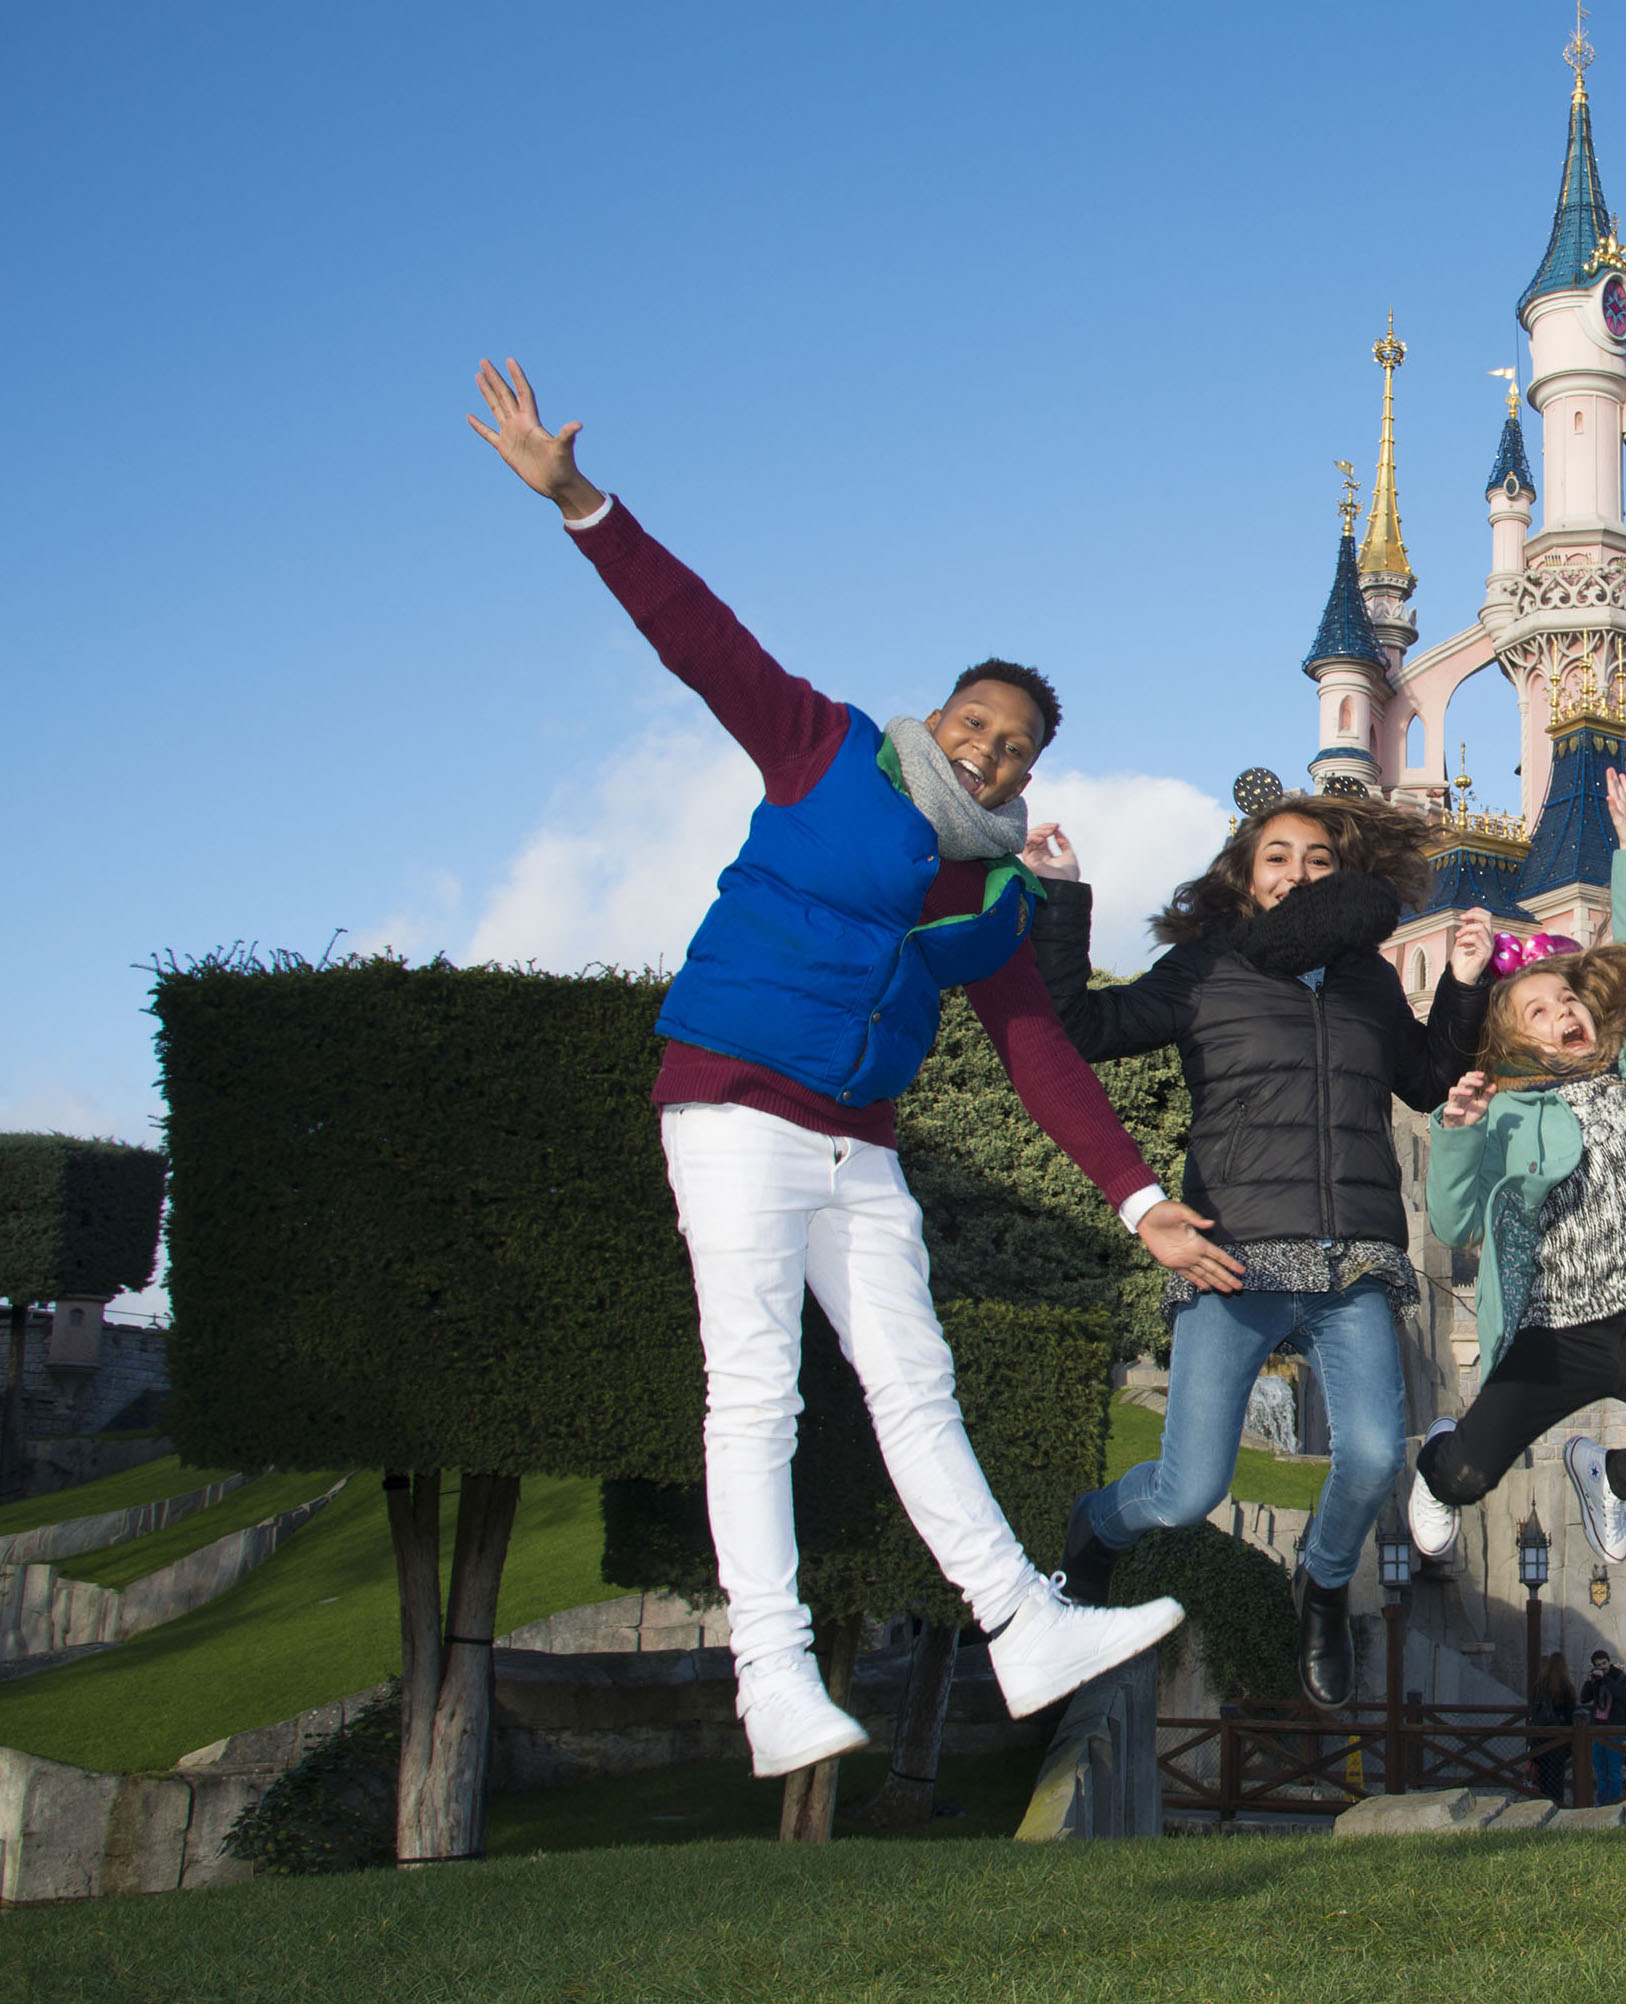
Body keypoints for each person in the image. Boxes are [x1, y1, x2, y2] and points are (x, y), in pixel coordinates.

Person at [466, 361, 1190, 1776]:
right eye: (975, 725)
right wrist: (580, 504)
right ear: (939, 717)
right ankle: (772, 1678)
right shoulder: (824, 754)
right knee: (757, 1392)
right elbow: (701, 639)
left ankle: (1021, 1622)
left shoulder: (993, 900)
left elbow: (1038, 1049)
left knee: (914, 1385)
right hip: (732, 1104)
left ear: (1029, 774)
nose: (987, 752)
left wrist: (1134, 1197)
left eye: (1015, 748)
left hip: (859, 1142)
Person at [1032, 780, 1491, 1711]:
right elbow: (1079, 1028)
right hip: (1231, 1255)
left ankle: (1319, 1585)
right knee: (1184, 1492)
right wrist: (1063, 898)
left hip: (1351, 1259)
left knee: (1369, 1458)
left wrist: (1463, 984)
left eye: (1318, 861)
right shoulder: (1205, 970)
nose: (1298, 873)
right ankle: (1095, 1527)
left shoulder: (1364, 976)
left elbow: (1424, 1080)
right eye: (1277, 857)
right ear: (1245, 877)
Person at [1406, 773, 1626, 1574]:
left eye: (1566, 999)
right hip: (1552, 1338)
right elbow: (1453, 1227)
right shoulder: (1509, 1112)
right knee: (1467, 1478)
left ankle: (1614, 1473)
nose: (1562, 1014)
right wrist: (1454, 1133)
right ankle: (1439, 1462)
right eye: (1538, 1012)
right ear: (1516, 1041)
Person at [1581, 1648, 1626, 1806]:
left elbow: (1622, 1696)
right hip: (1597, 1728)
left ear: (1609, 1662)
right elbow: (1584, 1698)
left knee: (1614, 1770)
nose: (1602, 1667)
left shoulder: (1621, 1677)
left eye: (1604, 1663)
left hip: (1614, 1728)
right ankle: (1602, 1803)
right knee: (1600, 1770)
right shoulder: (1595, 1679)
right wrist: (1589, 1681)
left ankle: (1615, 1803)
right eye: (1599, 1665)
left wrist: (1605, 1679)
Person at [1527, 1652, 1578, 1803]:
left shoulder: (1540, 1685)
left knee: (1543, 1776)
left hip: (1542, 1737)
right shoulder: (1567, 1688)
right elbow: (1571, 1715)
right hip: (1560, 1740)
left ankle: (1543, 1804)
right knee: (1556, 1778)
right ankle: (1557, 1806)